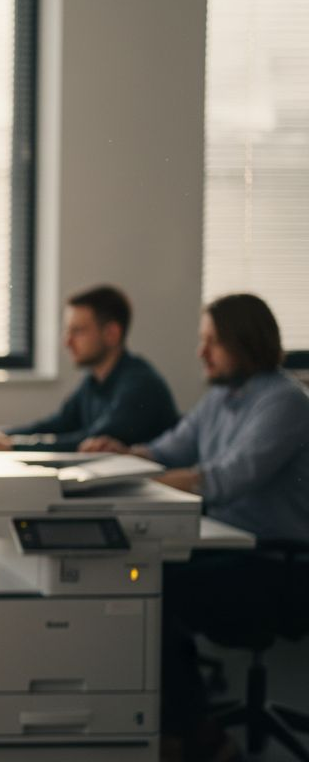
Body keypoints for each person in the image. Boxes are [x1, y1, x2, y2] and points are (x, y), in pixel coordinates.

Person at [81, 293, 309, 762]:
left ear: (246, 343)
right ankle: (182, 723)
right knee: (136, 578)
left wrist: (137, 477)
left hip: (275, 562)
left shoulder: (285, 402)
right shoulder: (221, 397)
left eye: (213, 343)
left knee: (155, 591)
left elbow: (225, 478)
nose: (202, 353)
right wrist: (123, 453)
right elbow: (169, 448)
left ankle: (200, 733)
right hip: (224, 545)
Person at [0, 285, 179, 451]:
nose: (67, 342)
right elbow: (58, 424)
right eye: (67, 331)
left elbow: (90, 442)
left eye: (78, 331)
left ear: (111, 333)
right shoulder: (95, 380)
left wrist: (12, 445)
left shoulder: (139, 384)